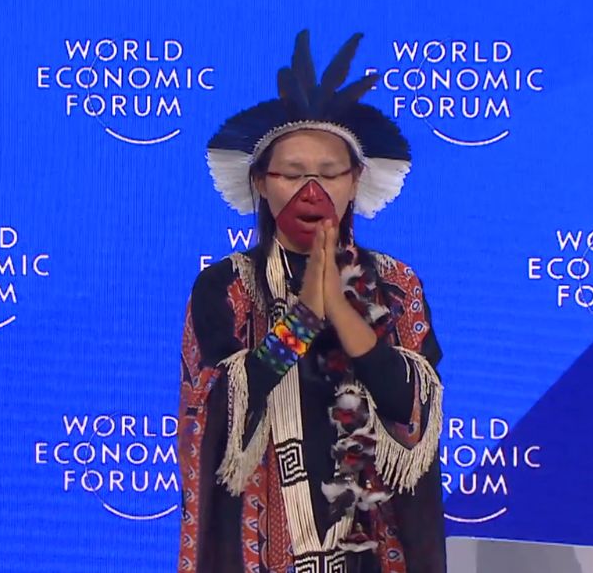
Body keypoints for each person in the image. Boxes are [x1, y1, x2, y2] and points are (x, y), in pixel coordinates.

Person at [178, 30, 445, 572]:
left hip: (372, 540)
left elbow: (409, 407)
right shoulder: (225, 285)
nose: (311, 190)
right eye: (293, 174)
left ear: (355, 181)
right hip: (263, 542)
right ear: (259, 182)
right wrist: (303, 317)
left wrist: (340, 309)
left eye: (328, 174)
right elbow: (222, 405)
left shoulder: (396, 283)